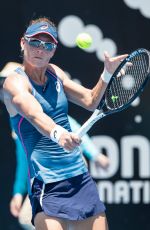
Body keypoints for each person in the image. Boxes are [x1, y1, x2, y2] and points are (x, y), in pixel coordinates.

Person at [3, 16, 127, 230]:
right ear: (23, 43)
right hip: (46, 184)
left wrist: (107, 73)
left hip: (80, 177)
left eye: (47, 45)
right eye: (34, 42)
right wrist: (58, 134)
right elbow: (33, 113)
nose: (40, 50)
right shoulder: (14, 82)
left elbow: (90, 100)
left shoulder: (55, 73)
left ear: (53, 51)